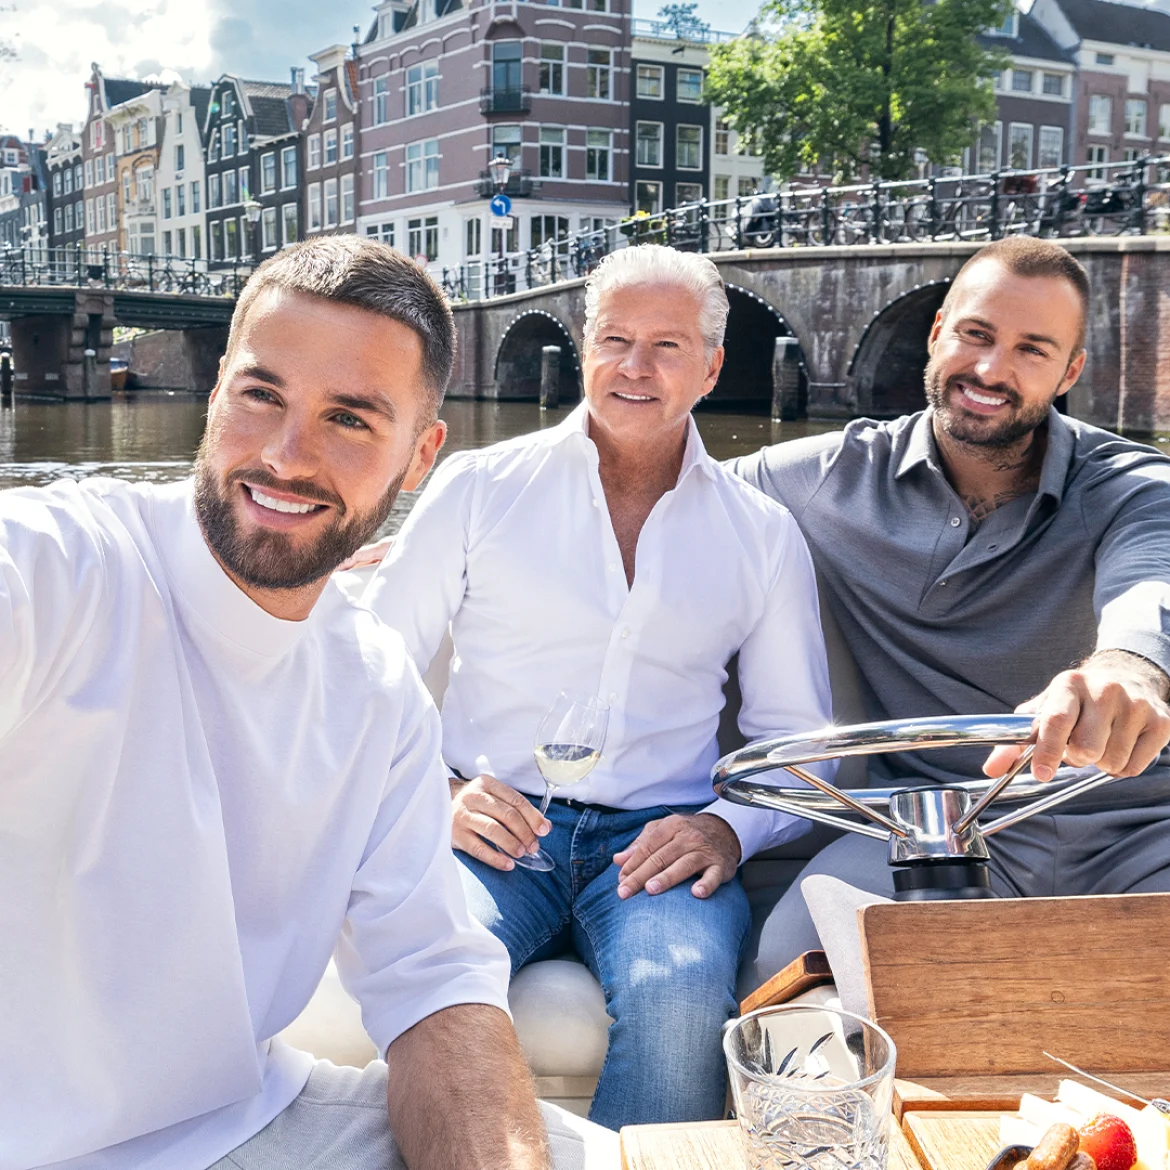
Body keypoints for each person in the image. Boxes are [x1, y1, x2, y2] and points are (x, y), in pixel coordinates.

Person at [0, 237, 614, 1170]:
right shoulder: (65, 565)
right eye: (262, 395)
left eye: (351, 419)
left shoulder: (376, 692)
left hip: (250, 1114)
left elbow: (432, 976)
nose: (286, 457)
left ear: (421, 458)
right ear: (215, 399)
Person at [363, 245, 834, 1129]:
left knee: (682, 998)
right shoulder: (478, 489)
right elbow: (368, 674)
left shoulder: (761, 534)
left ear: (712, 367)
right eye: (614, 339)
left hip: (657, 846)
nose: (634, 367)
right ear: (583, 348)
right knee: (435, 971)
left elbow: (799, 746)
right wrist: (437, 794)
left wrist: (727, 829)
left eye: (666, 345)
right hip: (490, 825)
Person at [728, 235, 1170, 982]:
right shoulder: (819, 478)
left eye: (1033, 350)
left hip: (1141, 824)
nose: (992, 371)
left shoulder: (1134, 485)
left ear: (1069, 372)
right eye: (976, 334)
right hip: (942, 828)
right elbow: (656, 492)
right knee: (788, 966)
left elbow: (1151, 588)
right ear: (937, 334)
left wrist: (1126, 670)